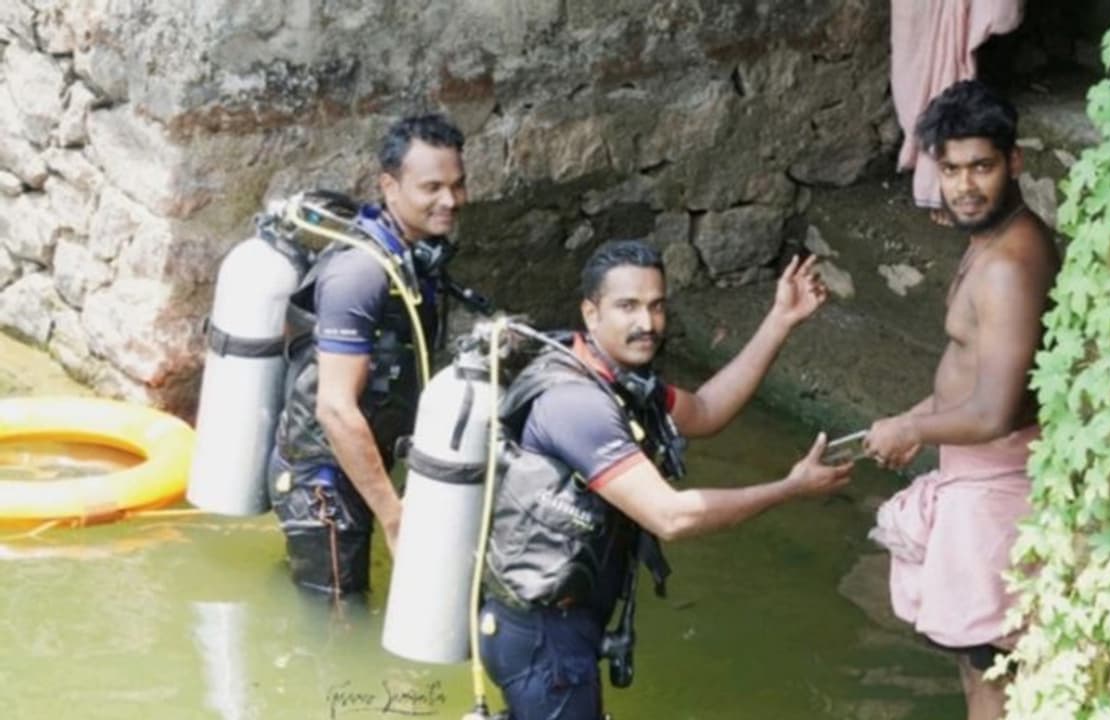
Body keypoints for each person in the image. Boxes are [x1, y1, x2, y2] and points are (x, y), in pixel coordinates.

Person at [477, 240, 853, 720]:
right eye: (628, 306)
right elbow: (670, 516)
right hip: (544, 637)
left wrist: (780, 319)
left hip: (563, 625)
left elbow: (709, 410)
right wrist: (789, 488)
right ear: (591, 314)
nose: (647, 323)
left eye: (656, 306)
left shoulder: (623, 382)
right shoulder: (578, 405)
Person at [862, 79, 1060, 720]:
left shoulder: (1007, 265)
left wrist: (914, 431)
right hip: (976, 473)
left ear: (1015, 163)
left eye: (982, 166)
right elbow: (970, 376)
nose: (965, 185)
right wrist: (913, 419)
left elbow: (995, 410)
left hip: (999, 483)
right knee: (978, 658)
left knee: (991, 671)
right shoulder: (991, 242)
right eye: (951, 169)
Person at [267, 113, 469, 597]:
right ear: (389, 186)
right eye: (432, 187)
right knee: (339, 630)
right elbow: (335, 409)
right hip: (322, 482)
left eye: (458, 185)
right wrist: (395, 518)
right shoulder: (360, 275)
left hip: (360, 464)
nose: (450, 201)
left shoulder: (417, 255)